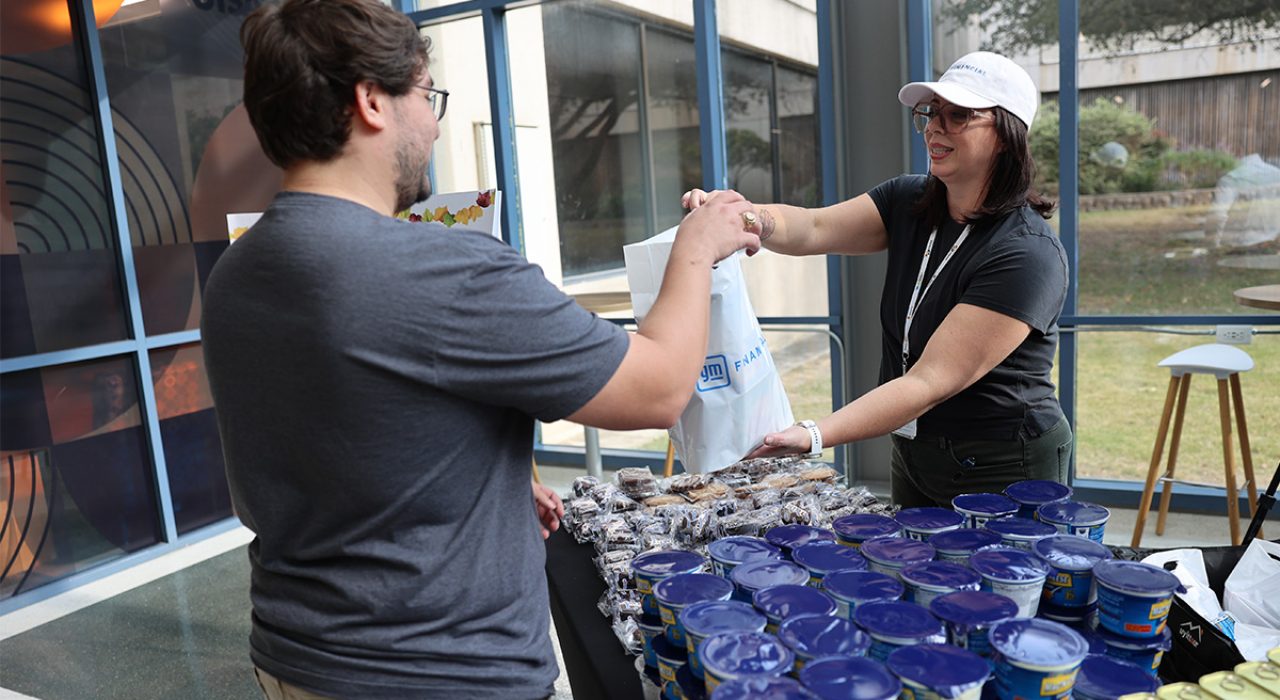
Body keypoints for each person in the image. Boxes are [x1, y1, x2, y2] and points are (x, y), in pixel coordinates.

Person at [201, 1, 760, 698]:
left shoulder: (236, 273)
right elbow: (658, 387)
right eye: (426, 95)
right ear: (372, 101)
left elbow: (340, 429)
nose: (433, 123)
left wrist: (484, 481)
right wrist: (698, 248)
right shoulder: (439, 270)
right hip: (442, 672)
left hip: (294, 657)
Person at [686, 51, 1070, 508]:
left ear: (1007, 135)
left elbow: (930, 381)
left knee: (995, 582)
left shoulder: (1027, 253)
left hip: (1004, 461)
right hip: (916, 448)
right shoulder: (910, 200)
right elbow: (815, 227)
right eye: (930, 113)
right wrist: (743, 218)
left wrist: (812, 434)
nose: (934, 127)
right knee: (913, 574)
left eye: (959, 115)